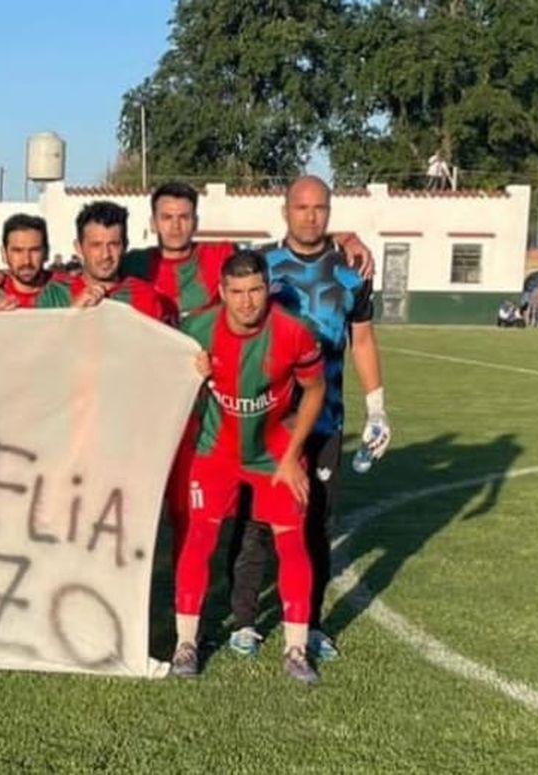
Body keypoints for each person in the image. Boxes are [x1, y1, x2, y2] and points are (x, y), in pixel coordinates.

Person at [226, 175, 390, 661]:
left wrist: (377, 406)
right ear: (285, 211)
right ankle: (245, 621)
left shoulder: (352, 272)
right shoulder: (262, 267)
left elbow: (362, 340)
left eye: (320, 207)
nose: (311, 216)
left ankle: (310, 622)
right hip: (265, 419)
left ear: (330, 211)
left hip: (326, 421)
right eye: (302, 207)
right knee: (255, 522)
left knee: (317, 523)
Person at [171, 250, 327, 685]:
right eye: (236, 292)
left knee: (291, 543)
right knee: (199, 538)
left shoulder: (295, 333)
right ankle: (186, 644)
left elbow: (314, 391)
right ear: (221, 292)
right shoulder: (197, 330)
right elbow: (164, 372)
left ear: (268, 288)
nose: (246, 302)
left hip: (274, 450)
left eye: (255, 290)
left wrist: (295, 453)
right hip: (215, 452)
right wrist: (191, 371)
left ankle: (295, 650)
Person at [120, 181, 374, 320]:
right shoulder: (132, 264)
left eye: (184, 217)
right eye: (166, 217)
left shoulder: (222, 254)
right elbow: (96, 269)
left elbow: (296, 242)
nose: (175, 226)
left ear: (196, 221)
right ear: (153, 223)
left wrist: (342, 238)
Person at [64, 201, 177, 324]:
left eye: (113, 245)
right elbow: (43, 341)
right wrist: (70, 316)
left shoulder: (147, 297)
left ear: (125, 246)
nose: (106, 255)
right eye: (96, 245)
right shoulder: (54, 294)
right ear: (78, 247)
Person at [0, 213, 76, 309]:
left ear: (46, 252)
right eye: (18, 251)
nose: (27, 261)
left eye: (35, 250)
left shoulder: (69, 289)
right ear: (4, 254)